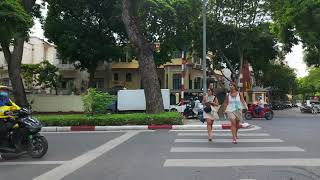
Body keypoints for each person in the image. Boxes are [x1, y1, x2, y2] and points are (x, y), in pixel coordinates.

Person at [0, 86, 21, 152]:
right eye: (3, 90)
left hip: (7, 117)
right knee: (3, 129)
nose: (5, 91)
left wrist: (20, 109)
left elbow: (13, 106)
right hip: (1, 118)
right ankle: (1, 145)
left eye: (6, 90)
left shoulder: (7, 99)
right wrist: (4, 112)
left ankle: (13, 143)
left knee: (17, 125)